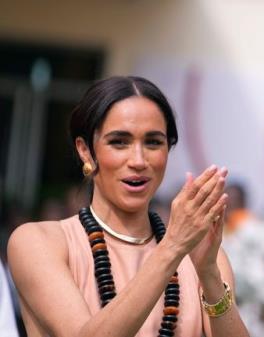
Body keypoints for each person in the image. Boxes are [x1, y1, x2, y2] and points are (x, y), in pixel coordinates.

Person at [7, 76, 250, 337]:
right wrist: (172, 249)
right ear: (86, 151)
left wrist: (209, 274)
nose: (138, 160)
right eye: (119, 142)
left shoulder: (201, 255)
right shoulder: (39, 242)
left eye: (153, 142)